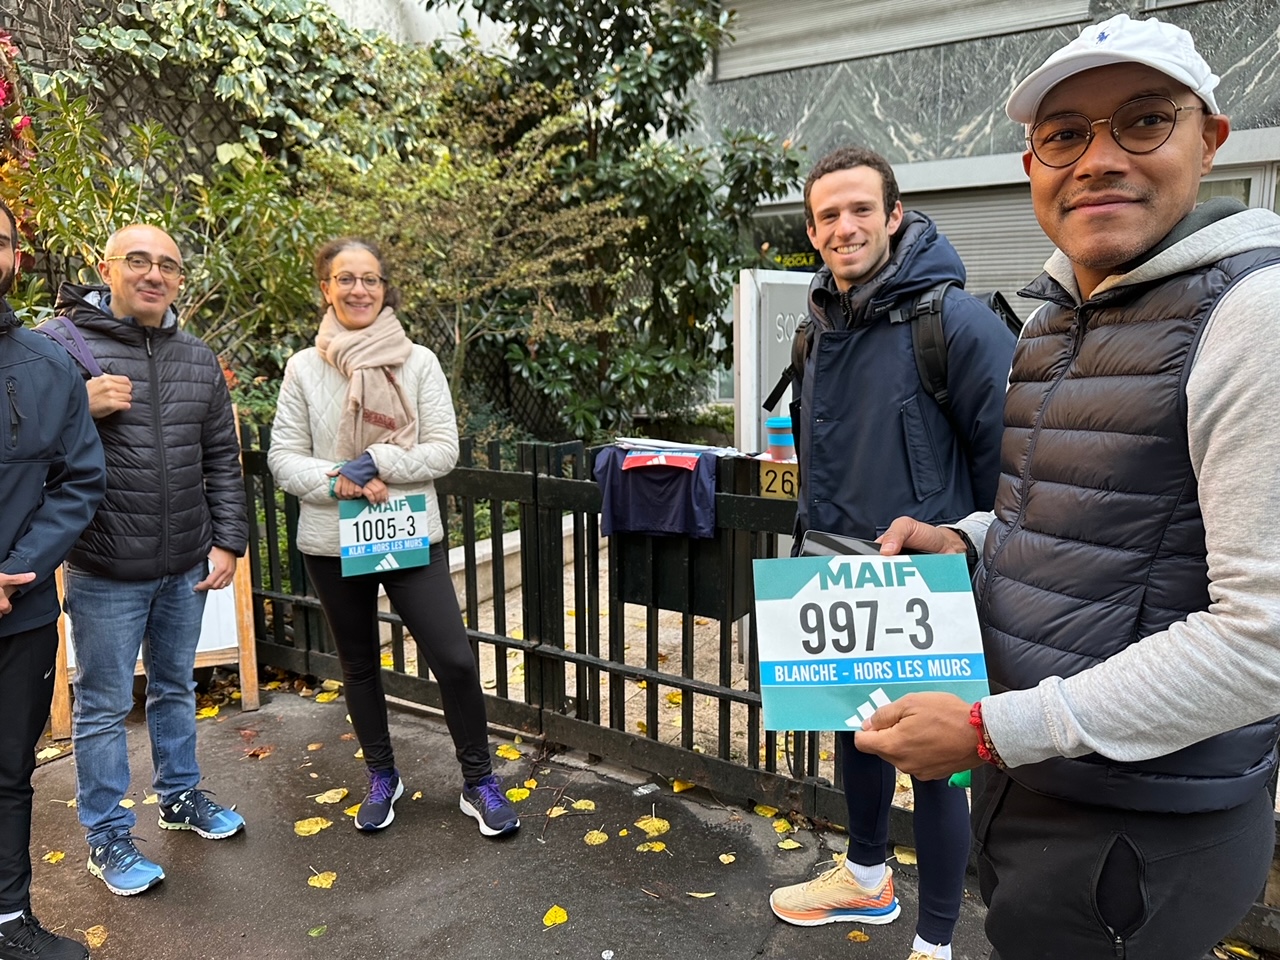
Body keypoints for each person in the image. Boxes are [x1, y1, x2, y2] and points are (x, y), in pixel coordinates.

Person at [854, 14, 1280, 960]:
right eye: (1064, 134)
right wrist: (966, 538)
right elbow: (1060, 515)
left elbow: (1264, 639)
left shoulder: (1254, 314)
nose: (1096, 159)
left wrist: (990, 729)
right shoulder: (1055, 315)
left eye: (1141, 121)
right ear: (1031, 163)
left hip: (1141, 822)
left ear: (1209, 141)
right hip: (1041, 787)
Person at [766, 147, 1016, 960]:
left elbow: (1014, 471)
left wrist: (966, 550)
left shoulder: (957, 323)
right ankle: (866, 880)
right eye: (829, 215)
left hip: (930, 585)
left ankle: (937, 942)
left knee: (936, 763)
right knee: (858, 735)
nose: (845, 227)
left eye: (860, 210)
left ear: (894, 216)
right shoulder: (815, 333)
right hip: (839, 575)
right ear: (812, 231)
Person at [268, 237, 520, 838]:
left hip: (408, 533)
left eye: (371, 279)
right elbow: (283, 459)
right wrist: (341, 480)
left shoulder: (418, 361)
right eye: (345, 279)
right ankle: (383, 775)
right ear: (325, 288)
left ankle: (478, 781)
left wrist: (376, 458)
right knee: (358, 665)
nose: (359, 289)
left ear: (386, 289)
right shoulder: (305, 368)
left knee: (455, 661)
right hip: (332, 540)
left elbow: (441, 449)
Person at [43, 224, 249, 897]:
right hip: (104, 569)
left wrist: (228, 542)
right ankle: (106, 837)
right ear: (106, 268)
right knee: (103, 706)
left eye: (168, 265)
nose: (154, 274)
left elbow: (222, 457)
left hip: (185, 565)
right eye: (139, 261)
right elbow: (17, 440)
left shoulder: (196, 357)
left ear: (179, 280)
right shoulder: (59, 349)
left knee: (175, 688)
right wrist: (78, 404)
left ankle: (181, 799)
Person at [0, 201, 105, 958]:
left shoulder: (46, 367)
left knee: (9, 772)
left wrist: (15, 568)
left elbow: (77, 481)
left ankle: (9, 923)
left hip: (20, 610)